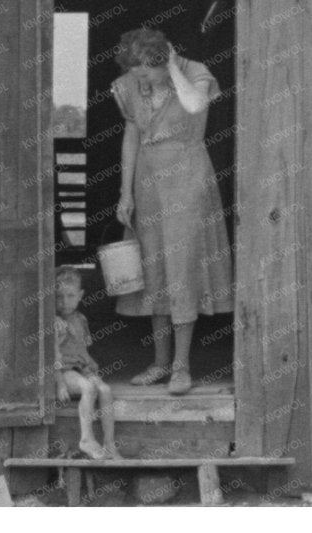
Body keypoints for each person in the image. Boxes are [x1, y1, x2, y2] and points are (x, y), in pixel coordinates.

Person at [110, 25, 233, 397]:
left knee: (182, 267)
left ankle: (182, 366)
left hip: (187, 173)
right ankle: (160, 363)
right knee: (154, 267)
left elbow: (196, 104)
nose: (139, 76)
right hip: (148, 179)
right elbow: (131, 135)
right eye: (134, 69)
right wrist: (124, 192)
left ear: (163, 60)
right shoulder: (130, 82)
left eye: (146, 68)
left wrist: (174, 66)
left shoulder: (194, 72)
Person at [53, 268, 118, 460]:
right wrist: (60, 384)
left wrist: (90, 369)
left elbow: (83, 350)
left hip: (81, 368)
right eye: (59, 297)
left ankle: (109, 444)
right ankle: (87, 439)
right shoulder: (55, 323)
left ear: (80, 296)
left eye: (70, 295)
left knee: (105, 390)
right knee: (88, 388)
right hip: (64, 371)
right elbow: (53, 355)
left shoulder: (81, 319)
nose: (64, 302)